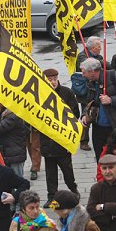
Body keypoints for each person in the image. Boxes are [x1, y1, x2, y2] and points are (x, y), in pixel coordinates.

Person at [80, 58, 116, 162]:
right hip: (98, 127)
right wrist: (84, 114)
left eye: (84, 72)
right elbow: (88, 101)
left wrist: (111, 100)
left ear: (92, 72)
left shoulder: (114, 76)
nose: (82, 75)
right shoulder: (91, 82)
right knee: (101, 158)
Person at [40, 69, 80, 208]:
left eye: (54, 79)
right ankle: (51, 196)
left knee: (67, 169)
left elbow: (75, 112)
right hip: (47, 140)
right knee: (50, 173)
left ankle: (73, 190)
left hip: (62, 139)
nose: (52, 82)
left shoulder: (66, 93)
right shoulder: (40, 94)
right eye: (49, 80)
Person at [75, 37, 103, 151]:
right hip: (86, 92)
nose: (101, 48)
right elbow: (85, 67)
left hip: (96, 90)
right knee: (86, 115)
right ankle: (83, 141)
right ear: (92, 48)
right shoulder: (82, 56)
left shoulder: (98, 57)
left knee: (96, 113)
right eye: (99, 46)